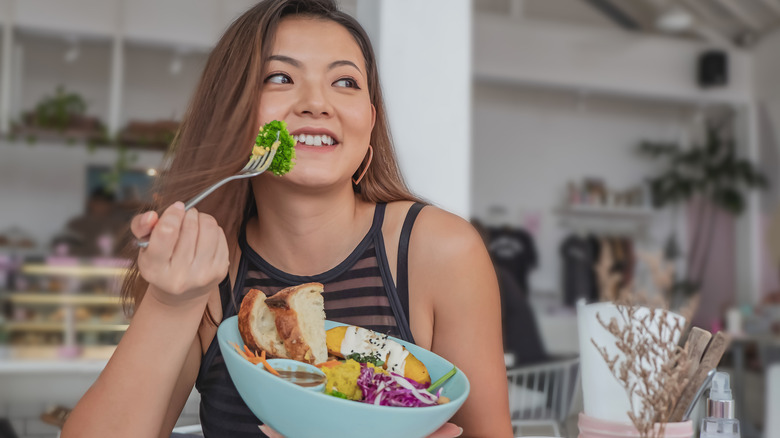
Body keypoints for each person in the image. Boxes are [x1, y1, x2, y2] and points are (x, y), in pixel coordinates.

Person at [62, 1, 512, 437]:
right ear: (233, 111)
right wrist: (169, 303)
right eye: (280, 77)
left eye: (346, 82)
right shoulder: (207, 269)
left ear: (369, 121)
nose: (317, 103)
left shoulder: (439, 251)